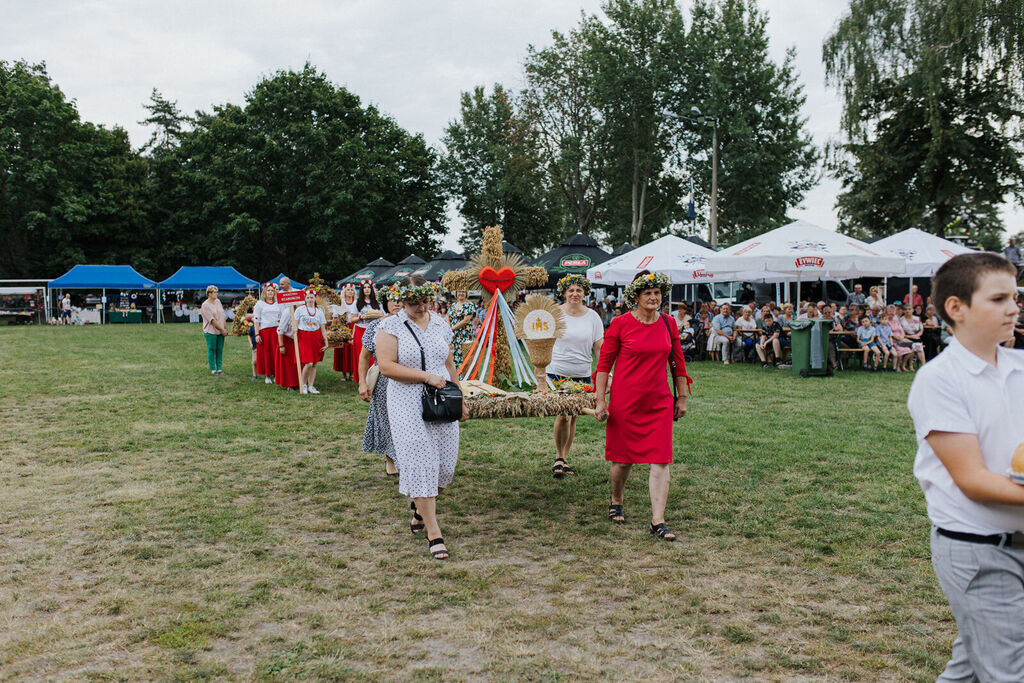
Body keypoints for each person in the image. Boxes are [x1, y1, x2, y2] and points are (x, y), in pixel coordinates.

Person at [906, 252, 1024, 682]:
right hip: (979, 549)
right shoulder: (940, 380)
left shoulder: (1020, 366)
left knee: (971, 667)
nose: (1014, 307)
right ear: (957, 308)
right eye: (999, 299)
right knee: (1007, 672)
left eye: (1014, 297)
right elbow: (972, 480)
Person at [594, 271, 691, 542]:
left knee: (661, 459)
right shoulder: (621, 324)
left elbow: (677, 363)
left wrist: (681, 397)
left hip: (659, 400)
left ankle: (657, 520)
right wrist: (601, 399)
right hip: (626, 401)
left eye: (657, 293)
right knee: (623, 460)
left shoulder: (669, 323)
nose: (653, 297)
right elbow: (603, 366)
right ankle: (616, 499)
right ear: (635, 297)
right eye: (647, 293)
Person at [376, 276, 467, 560]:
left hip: (442, 397)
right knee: (418, 460)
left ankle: (420, 506)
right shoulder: (390, 326)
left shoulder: (439, 322)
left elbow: (449, 362)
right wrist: (425, 376)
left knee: (444, 466)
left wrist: (461, 396)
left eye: (426, 301)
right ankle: (434, 532)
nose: (421, 307)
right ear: (401, 300)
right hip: (406, 400)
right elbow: (387, 366)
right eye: (414, 302)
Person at [547, 274, 604, 479]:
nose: (574, 294)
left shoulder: (593, 317)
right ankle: (558, 456)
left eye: (579, 290)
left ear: (585, 293)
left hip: (582, 373)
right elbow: (544, 342)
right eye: (571, 290)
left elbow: (599, 346)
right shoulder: (554, 313)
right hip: (557, 372)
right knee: (563, 414)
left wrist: (605, 371)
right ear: (564, 292)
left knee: (574, 416)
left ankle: (564, 458)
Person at [358, 287, 402, 477]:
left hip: (409, 379)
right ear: (386, 303)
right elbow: (364, 357)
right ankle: (390, 459)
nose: (397, 304)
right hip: (384, 380)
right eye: (392, 300)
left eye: (400, 300)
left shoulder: (411, 325)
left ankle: (406, 458)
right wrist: (362, 383)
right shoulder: (376, 326)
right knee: (385, 420)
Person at [294, 289, 329, 394]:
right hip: (304, 336)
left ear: (315, 298)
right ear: (305, 298)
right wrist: (294, 329)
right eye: (308, 297)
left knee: (314, 363)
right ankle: (303, 384)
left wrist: (326, 342)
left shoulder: (319, 312)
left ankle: (311, 386)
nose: (310, 299)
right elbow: (295, 323)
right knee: (308, 363)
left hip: (316, 337)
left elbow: (323, 328)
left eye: (312, 297)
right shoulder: (300, 310)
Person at [253, 284, 280, 384]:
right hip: (265, 332)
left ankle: (276, 374)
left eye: (272, 290)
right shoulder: (260, 304)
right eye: (268, 290)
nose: (270, 292)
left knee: (276, 353)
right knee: (267, 354)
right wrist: (257, 334)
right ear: (264, 292)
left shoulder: (278, 303)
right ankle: (267, 375)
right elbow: (256, 320)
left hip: (276, 331)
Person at [200, 285, 228, 375]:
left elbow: (222, 315)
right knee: (212, 349)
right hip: (210, 330)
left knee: (219, 349)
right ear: (209, 294)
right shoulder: (205, 305)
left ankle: (219, 368)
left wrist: (225, 328)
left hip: (221, 330)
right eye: (215, 292)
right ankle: (213, 368)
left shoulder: (218, 302)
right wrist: (221, 329)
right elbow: (212, 320)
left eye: (217, 292)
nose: (217, 294)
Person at [331, 284, 358, 380]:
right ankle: (343, 373)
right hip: (342, 327)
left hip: (353, 327)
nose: (350, 292)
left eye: (352, 290)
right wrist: (333, 329)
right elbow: (335, 317)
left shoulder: (356, 302)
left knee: (352, 349)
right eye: (348, 290)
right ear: (344, 292)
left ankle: (351, 372)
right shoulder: (340, 303)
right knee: (342, 350)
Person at [275, 303, 301, 391]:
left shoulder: (303, 311)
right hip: (287, 340)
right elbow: (280, 330)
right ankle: (290, 384)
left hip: (298, 340)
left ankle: (298, 382)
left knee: (298, 364)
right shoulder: (287, 312)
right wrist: (281, 345)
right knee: (289, 365)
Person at [448, 289, 476, 370]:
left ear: (466, 293)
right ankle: (457, 376)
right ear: (456, 293)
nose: (461, 293)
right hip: (453, 335)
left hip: (465, 334)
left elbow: (466, 320)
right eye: (459, 291)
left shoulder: (469, 304)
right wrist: (449, 330)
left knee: (465, 355)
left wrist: (452, 328)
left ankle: (465, 376)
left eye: (463, 292)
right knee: (455, 355)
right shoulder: (453, 305)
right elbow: (448, 318)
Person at [900, 304, 927, 369]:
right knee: (916, 345)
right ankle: (909, 365)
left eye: (909, 309)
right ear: (903, 311)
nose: (907, 311)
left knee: (917, 345)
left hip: (916, 337)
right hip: (906, 337)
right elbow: (901, 333)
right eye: (906, 310)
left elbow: (921, 330)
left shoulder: (917, 318)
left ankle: (923, 365)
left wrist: (916, 335)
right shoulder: (901, 320)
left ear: (912, 310)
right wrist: (911, 336)